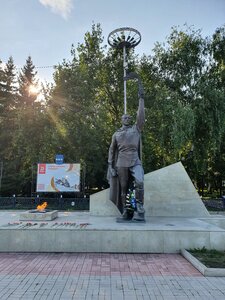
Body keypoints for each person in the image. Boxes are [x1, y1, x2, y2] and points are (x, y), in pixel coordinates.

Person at [107, 73, 145, 221]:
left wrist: (141, 99)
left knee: (140, 181)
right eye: (125, 117)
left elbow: (140, 115)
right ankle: (126, 211)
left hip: (135, 160)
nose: (128, 118)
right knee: (124, 189)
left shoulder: (136, 129)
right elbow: (112, 150)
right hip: (121, 162)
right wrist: (110, 166)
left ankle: (140, 206)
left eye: (130, 117)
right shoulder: (116, 134)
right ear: (121, 120)